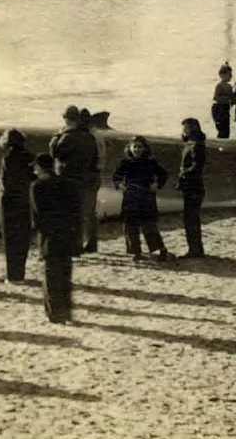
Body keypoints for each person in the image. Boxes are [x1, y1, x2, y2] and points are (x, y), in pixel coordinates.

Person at [31, 154, 82, 323]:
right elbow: (76, 212)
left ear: (39, 167)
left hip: (50, 236)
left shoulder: (37, 186)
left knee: (51, 277)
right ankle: (67, 311)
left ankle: (55, 314)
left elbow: (38, 217)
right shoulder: (69, 185)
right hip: (67, 234)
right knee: (65, 276)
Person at [49, 105, 102, 254]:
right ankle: (89, 244)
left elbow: (55, 152)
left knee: (71, 213)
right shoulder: (89, 136)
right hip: (84, 178)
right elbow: (95, 159)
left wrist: (56, 136)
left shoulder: (67, 136)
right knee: (85, 213)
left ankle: (75, 247)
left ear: (66, 119)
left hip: (68, 179)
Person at [113, 137, 174, 262]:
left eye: (140, 147)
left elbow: (163, 174)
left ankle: (157, 249)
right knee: (130, 225)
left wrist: (157, 185)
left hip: (146, 196)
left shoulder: (150, 162)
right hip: (131, 196)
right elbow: (116, 177)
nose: (137, 149)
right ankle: (134, 251)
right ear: (129, 148)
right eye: (134, 146)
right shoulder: (125, 163)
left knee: (149, 224)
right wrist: (120, 185)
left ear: (144, 148)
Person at [177, 118, 208, 258]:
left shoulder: (195, 145)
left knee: (191, 218)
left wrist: (184, 173)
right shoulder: (192, 144)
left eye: (186, 128)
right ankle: (195, 249)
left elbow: (197, 166)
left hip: (193, 186)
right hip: (191, 185)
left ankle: (195, 250)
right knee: (191, 218)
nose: (184, 131)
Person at [210, 64, 235, 140]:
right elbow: (215, 98)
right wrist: (227, 99)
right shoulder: (220, 85)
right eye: (229, 74)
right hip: (219, 109)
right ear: (222, 75)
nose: (231, 76)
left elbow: (232, 99)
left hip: (225, 109)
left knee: (226, 130)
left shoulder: (230, 86)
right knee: (221, 129)